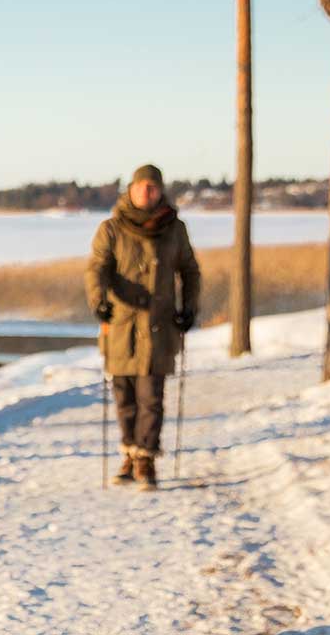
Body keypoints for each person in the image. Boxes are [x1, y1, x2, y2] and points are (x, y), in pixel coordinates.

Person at [86, 164, 201, 491]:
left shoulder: (174, 229)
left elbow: (190, 271)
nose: (146, 193)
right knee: (125, 396)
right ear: (131, 190)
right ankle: (129, 454)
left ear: (160, 190)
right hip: (121, 326)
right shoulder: (111, 228)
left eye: (152, 188)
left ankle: (146, 458)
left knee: (152, 395)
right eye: (141, 187)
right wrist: (99, 301)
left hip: (159, 326)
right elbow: (96, 269)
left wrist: (189, 308)